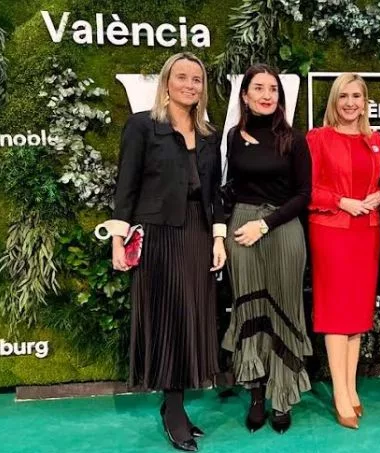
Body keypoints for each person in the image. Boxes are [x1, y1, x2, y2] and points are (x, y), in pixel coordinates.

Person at [105, 52, 226, 452]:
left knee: (191, 318)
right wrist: (119, 238)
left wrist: (218, 238)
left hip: (196, 234)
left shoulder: (209, 134)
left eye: (197, 79)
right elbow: (126, 185)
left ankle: (176, 404)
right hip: (157, 235)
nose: (190, 85)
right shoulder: (142, 125)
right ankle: (173, 409)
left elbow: (215, 192)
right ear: (167, 83)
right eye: (182, 77)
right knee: (168, 319)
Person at [219, 63, 312, 434]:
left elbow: (303, 194)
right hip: (241, 229)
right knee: (250, 309)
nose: (266, 95)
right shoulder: (233, 136)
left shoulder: (294, 139)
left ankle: (283, 396)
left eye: (273, 88)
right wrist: (224, 228)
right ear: (245, 95)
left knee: (285, 309)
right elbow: (230, 187)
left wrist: (266, 224)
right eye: (258, 88)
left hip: (282, 227)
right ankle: (257, 395)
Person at [306, 73, 380, 430]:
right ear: (334, 101)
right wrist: (341, 201)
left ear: (365, 102)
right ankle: (340, 392)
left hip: (367, 231)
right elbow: (306, 189)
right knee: (337, 313)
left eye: (356, 96)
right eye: (343, 96)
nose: (350, 103)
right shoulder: (318, 138)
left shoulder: (376, 140)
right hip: (331, 231)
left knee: (356, 314)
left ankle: (352, 388)